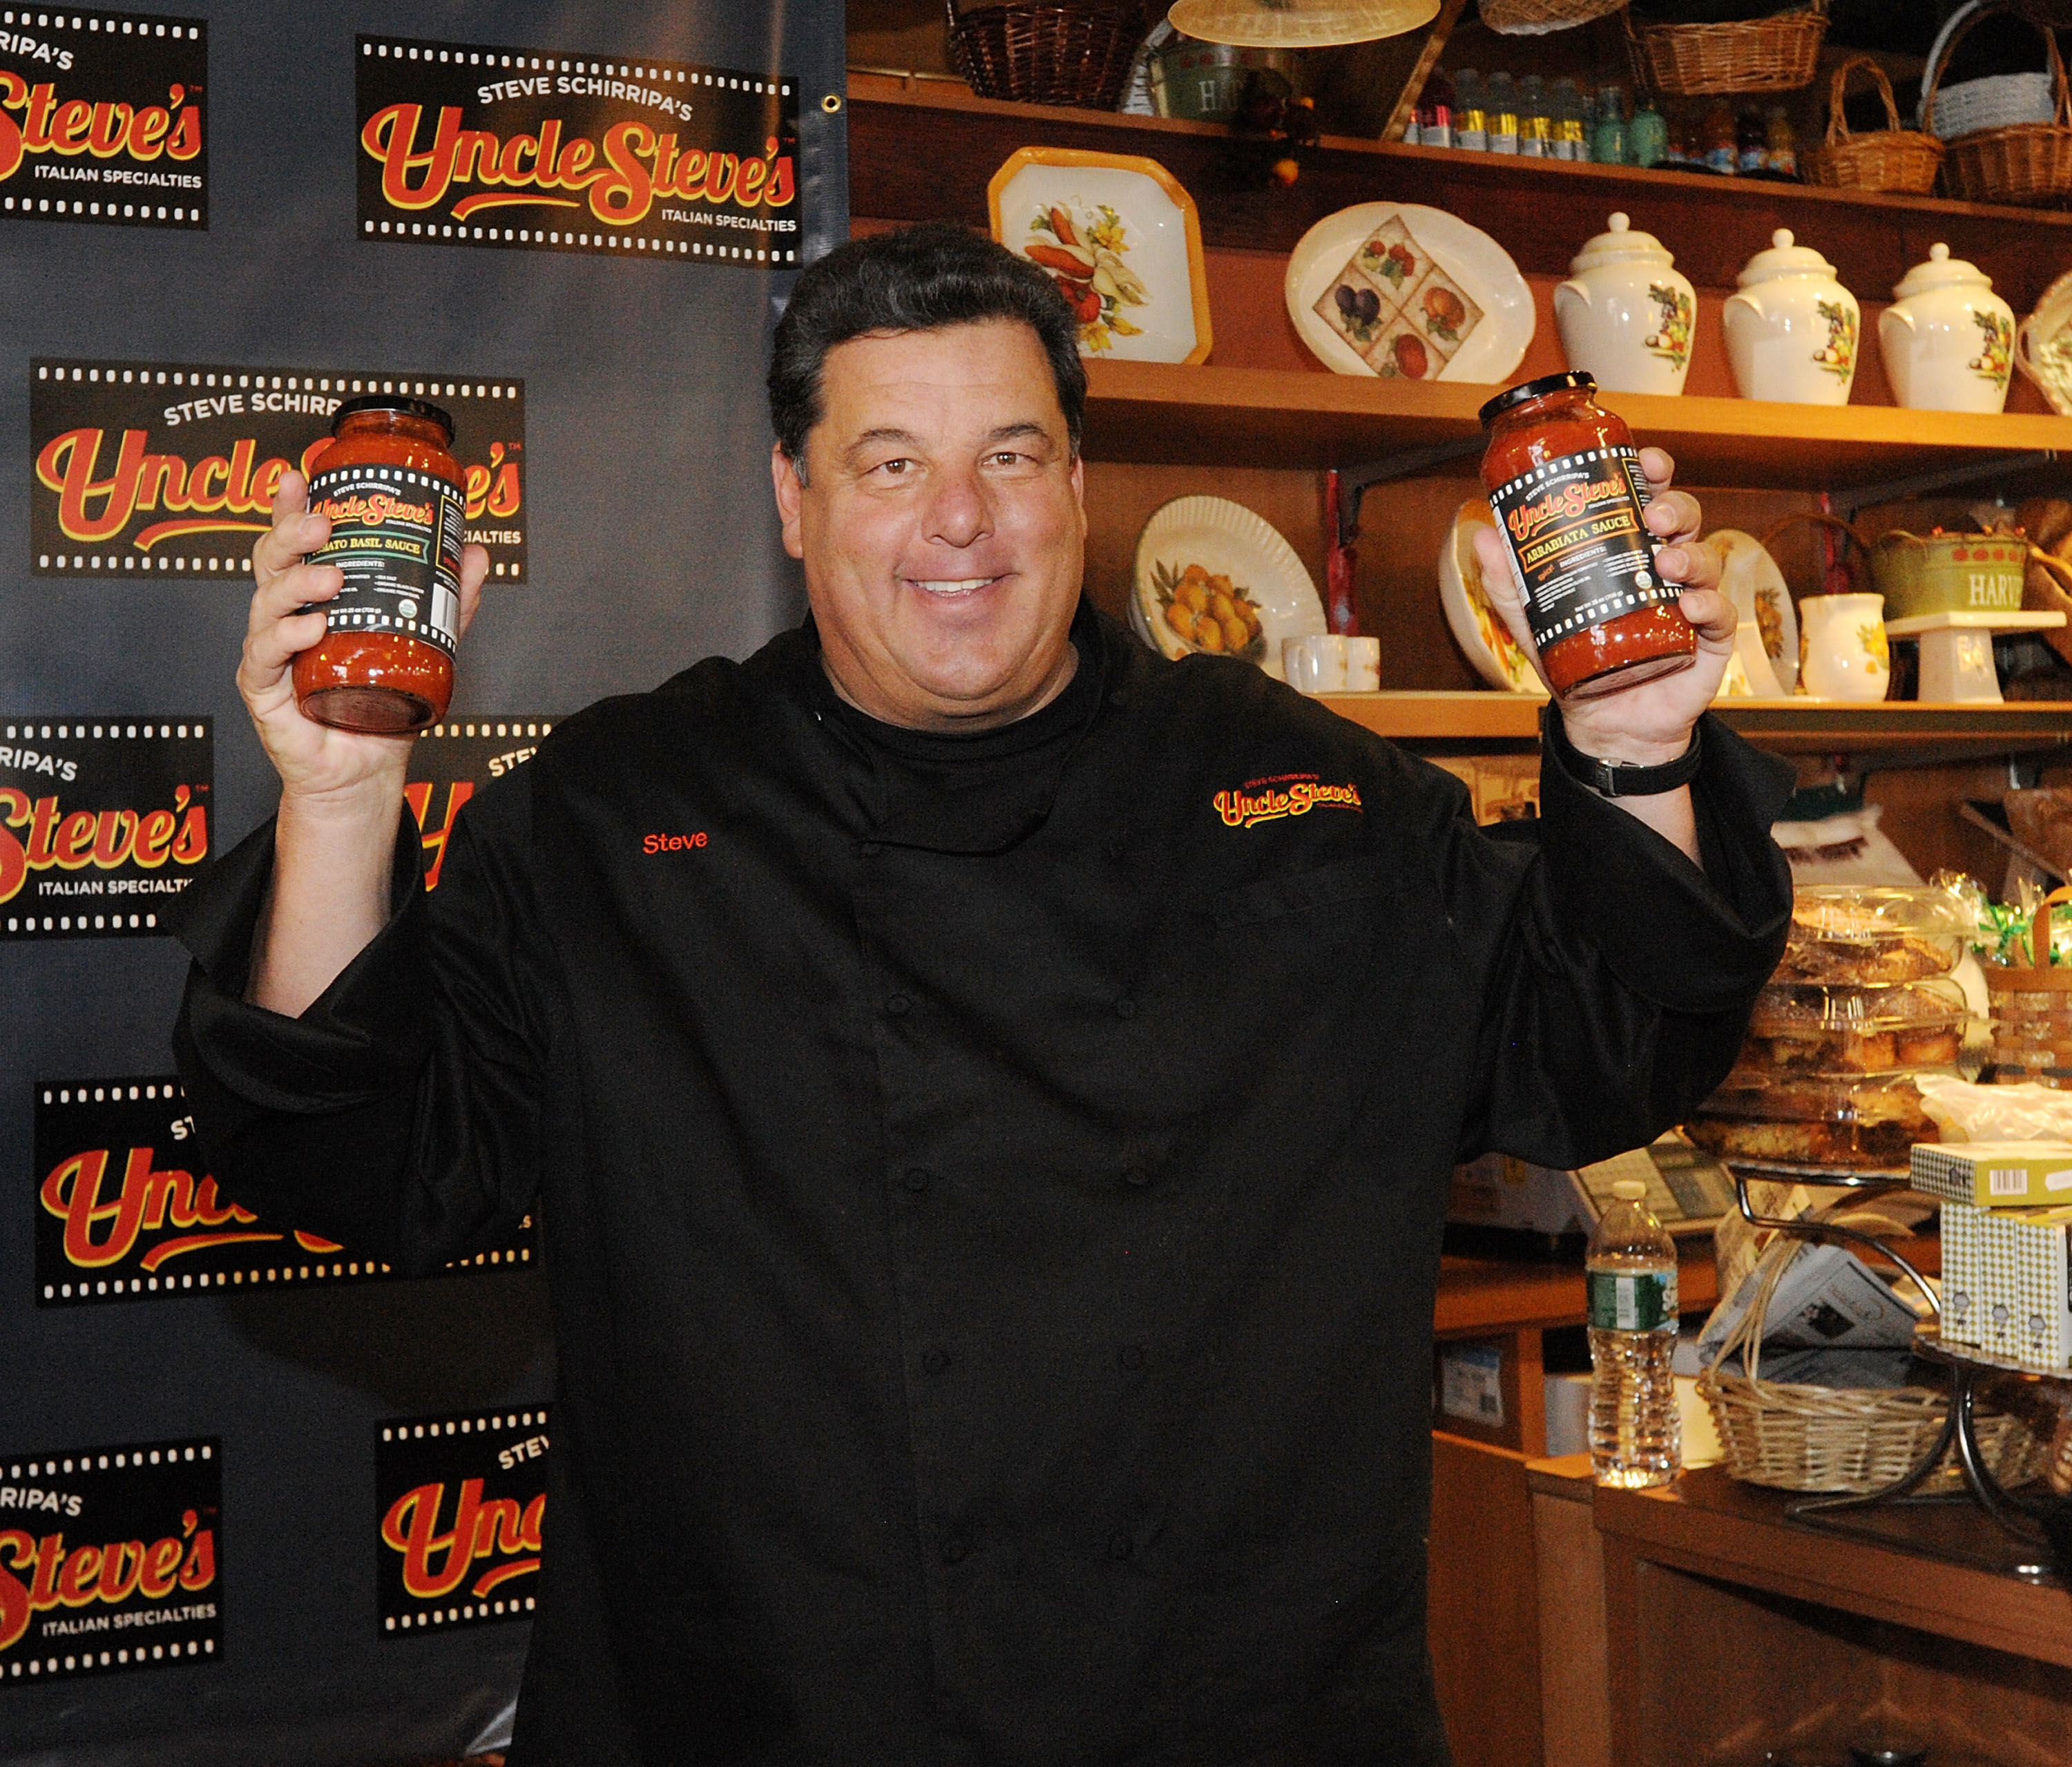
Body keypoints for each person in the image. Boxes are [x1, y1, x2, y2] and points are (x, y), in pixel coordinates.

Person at [174, 222, 1790, 1765]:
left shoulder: (1303, 794)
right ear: (793, 498)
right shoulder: (619, 812)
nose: (962, 519)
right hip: (758, 1713)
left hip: (1239, 1717)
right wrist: (339, 797)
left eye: (1011, 456)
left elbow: (1607, 1043)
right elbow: (356, 1156)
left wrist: (1634, 745)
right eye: (891, 465)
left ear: (1076, 485)